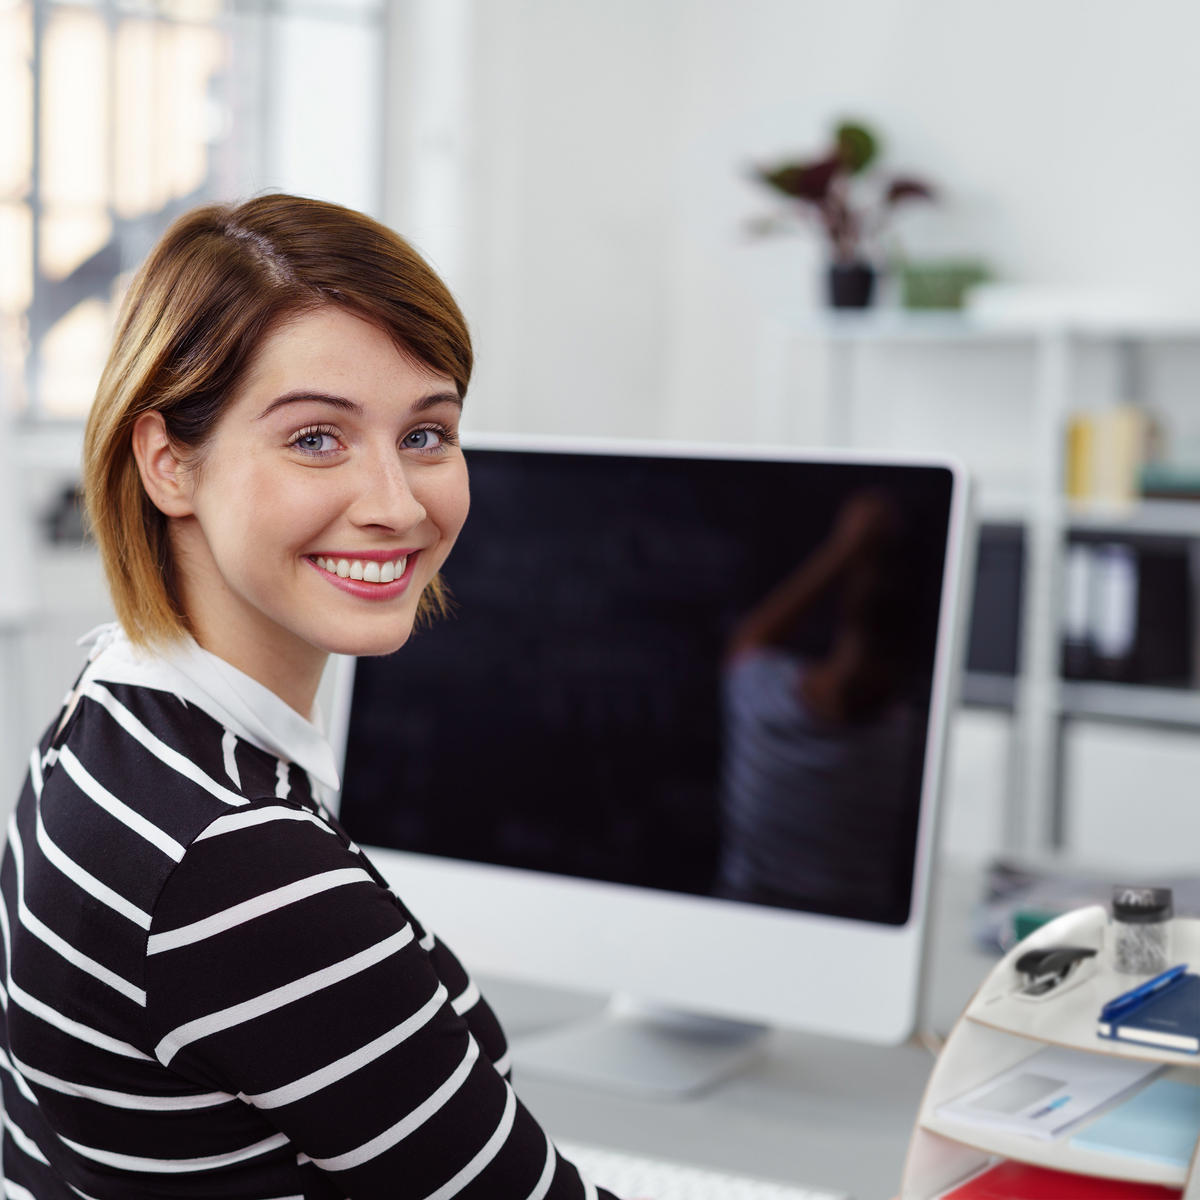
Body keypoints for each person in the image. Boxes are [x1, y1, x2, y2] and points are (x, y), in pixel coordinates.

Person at [0, 195, 619, 1199]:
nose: (395, 503)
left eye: (427, 433)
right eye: (316, 439)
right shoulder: (238, 868)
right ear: (169, 463)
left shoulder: (105, 715)